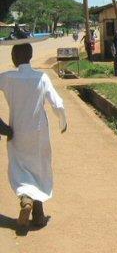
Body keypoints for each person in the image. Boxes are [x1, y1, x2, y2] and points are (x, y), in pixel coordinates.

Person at [0, 43, 67, 232]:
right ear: (30, 56)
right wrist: (63, 120)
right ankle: (37, 213)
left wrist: (1, 125)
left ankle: (26, 199)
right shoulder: (41, 77)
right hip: (39, 132)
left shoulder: (7, 77)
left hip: (16, 131)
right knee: (40, 168)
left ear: (14, 57)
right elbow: (57, 102)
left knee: (19, 167)